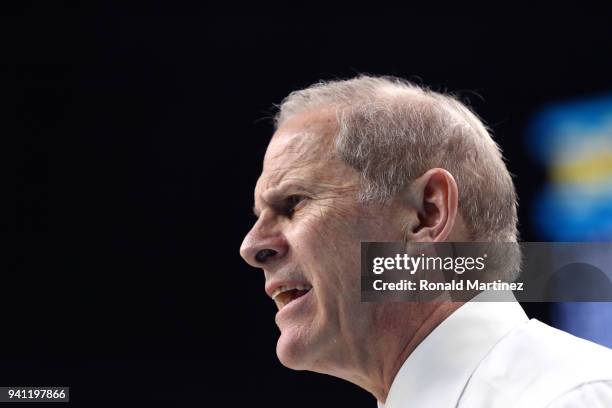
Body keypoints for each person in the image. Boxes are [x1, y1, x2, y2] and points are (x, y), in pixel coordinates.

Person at [239, 75, 612, 407]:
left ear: (426, 213)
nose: (252, 246)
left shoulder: (569, 396)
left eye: (293, 204)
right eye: (260, 217)